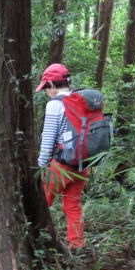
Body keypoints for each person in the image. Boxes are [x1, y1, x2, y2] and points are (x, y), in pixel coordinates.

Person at [36, 63, 88, 251]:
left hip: (61, 165)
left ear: (51, 84)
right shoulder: (81, 101)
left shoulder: (55, 105)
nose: (46, 92)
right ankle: (77, 246)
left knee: (42, 202)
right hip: (83, 164)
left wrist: (40, 165)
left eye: (45, 88)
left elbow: (48, 138)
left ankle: (36, 242)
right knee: (73, 206)